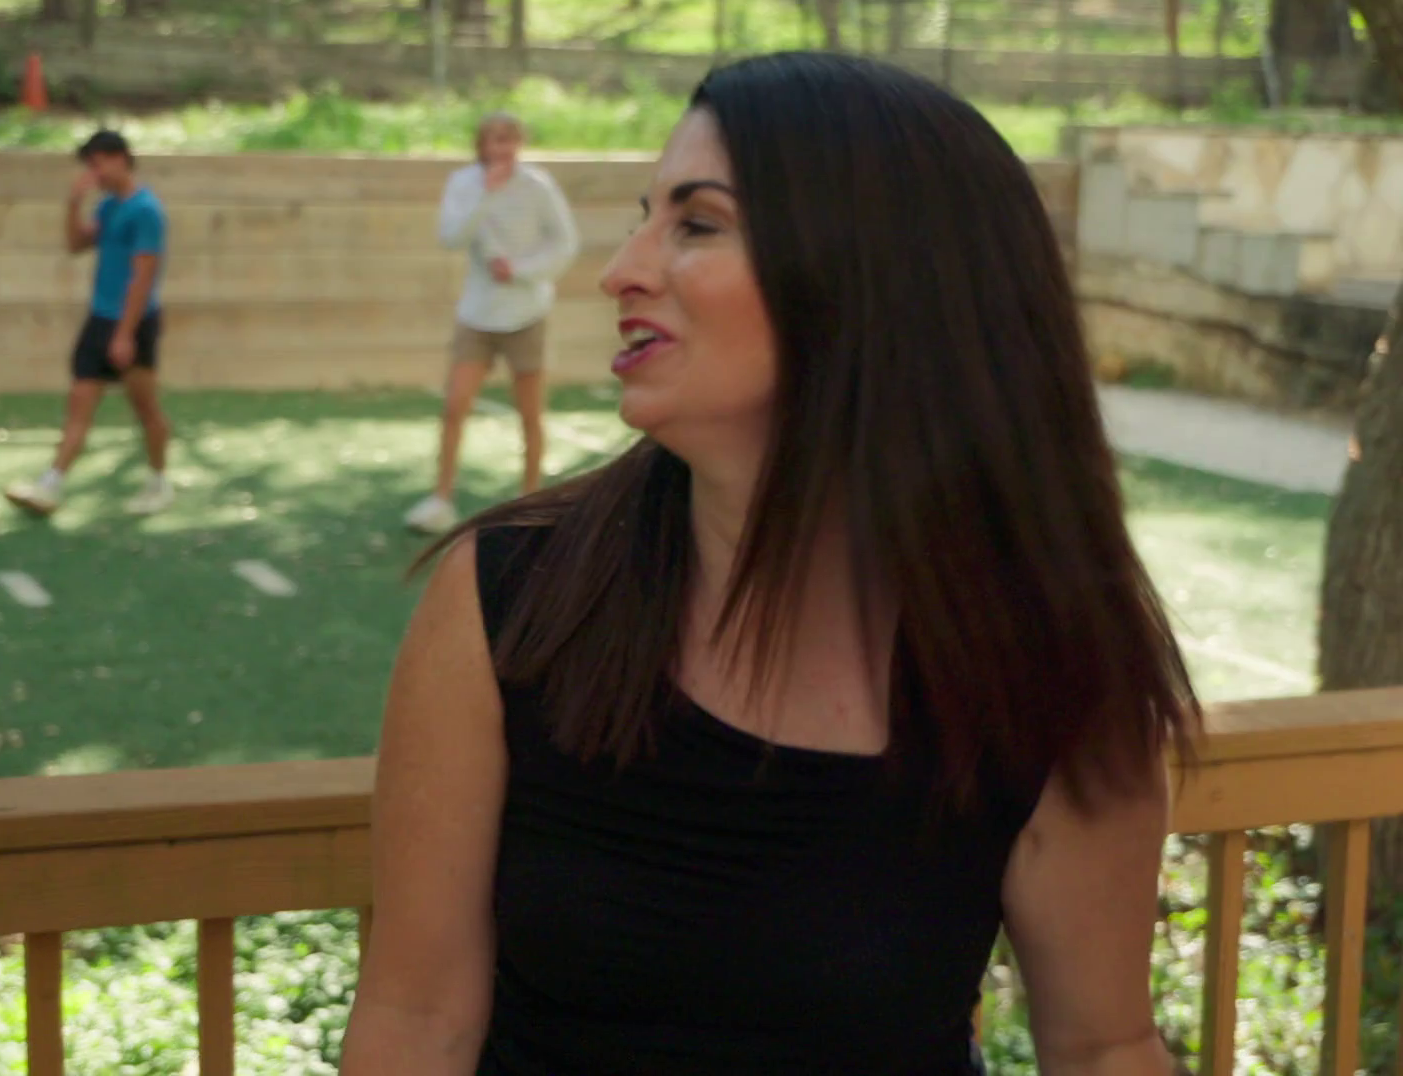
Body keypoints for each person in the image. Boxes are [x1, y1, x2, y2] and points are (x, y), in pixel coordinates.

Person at [343, 52, 1202, 1076]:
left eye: (698, 224)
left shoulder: (1055, 664)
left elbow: (1104, 1045)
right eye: (646, 218)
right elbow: (415, 1021)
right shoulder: (506, 599)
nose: (622, 269)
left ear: (871, 281)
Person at [403, 112, 580, 536]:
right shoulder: (463, 184)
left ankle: (531, 501)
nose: (503, 149)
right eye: (495, 140)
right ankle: (441, 499)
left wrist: (520, 270)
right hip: (477, 314)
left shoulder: (538, 185)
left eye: (510, 140)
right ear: (481, 144)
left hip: (527, 313)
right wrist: (486, 194)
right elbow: (450, 237)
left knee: (530, 413)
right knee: (455, 406)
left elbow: (565, 243)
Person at [5, 129, 174, 517]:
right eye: (89, 166)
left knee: (146, 409)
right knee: (79, 402)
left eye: (97, 164)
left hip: (133, 324)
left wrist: (125, 334)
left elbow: (143, 277)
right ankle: (50, 485)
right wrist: (73, 204)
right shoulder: (109, 206)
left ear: (120, 159)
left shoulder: (146, 211)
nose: (93, 173)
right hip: (99, 320)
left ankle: (159, 482)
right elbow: (76, 244)